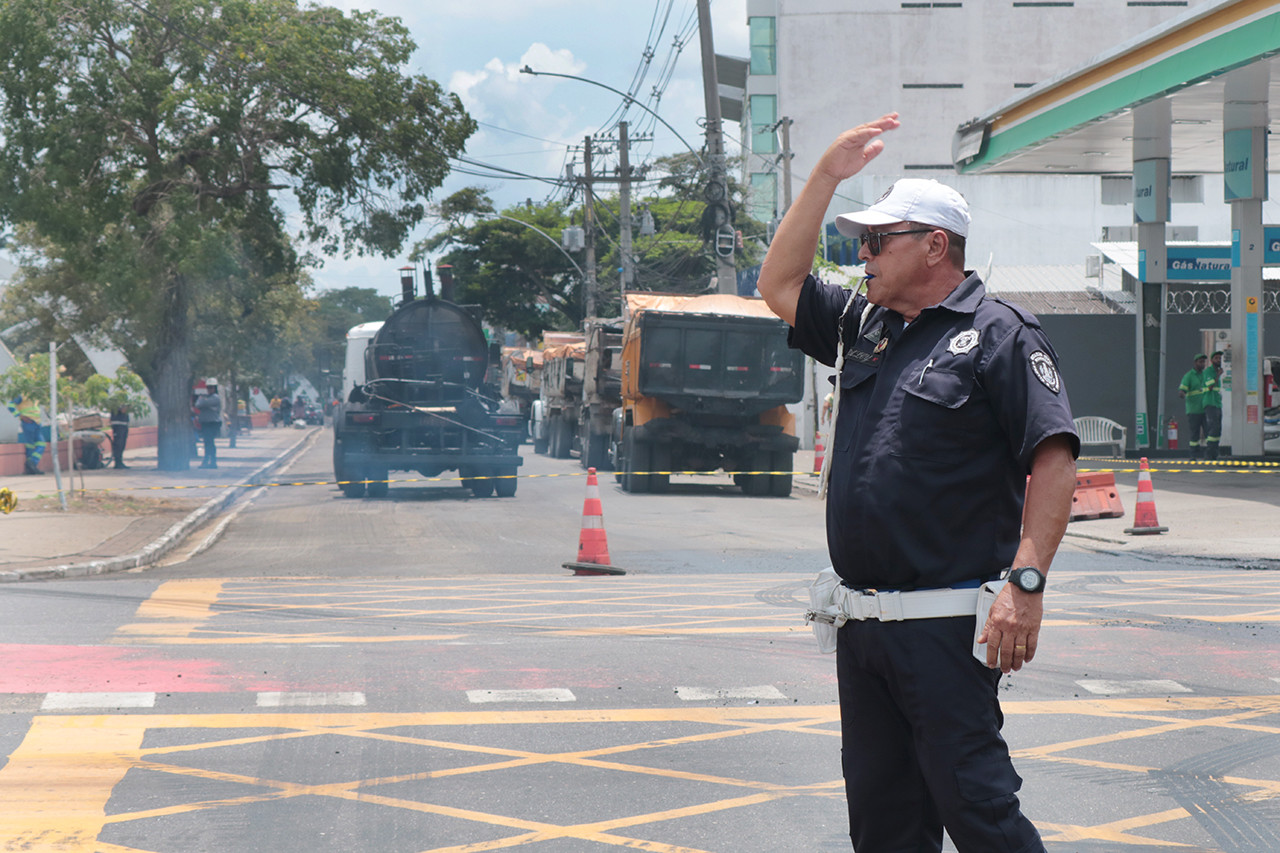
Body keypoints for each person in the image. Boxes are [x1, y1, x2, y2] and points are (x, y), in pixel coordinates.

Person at [756, 114, 1079, 852]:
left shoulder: (998, 333)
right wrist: (825, 176)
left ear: (936, 246)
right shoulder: (864, 324)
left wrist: (1025, 584)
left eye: (877, 240)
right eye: (859, 241)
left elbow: (1053, 456)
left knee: (978, 810)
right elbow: (779, 282)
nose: (861, 254)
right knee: (884, 824)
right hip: (861, 628)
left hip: (944, 629)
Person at [1178, 352, 1215, 460]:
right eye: (1200, 362)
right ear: (1195, 363)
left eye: (1204, 362)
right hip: (1193, 410)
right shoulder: (1189, 376)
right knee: (1195, 434)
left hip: (1205, 409)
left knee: (1209, 433)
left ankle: (1209, 454)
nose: (1202, 364)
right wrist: (1182, 394)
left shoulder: (1205, 375)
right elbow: (1182, 390)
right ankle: (1193, 455)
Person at [6, 396, 48, 475]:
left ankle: (31, 464)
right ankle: (32, 465)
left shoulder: (35, 394)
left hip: (36, 423)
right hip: (28, 423)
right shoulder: (23, 394)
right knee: (30, 445)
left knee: (40, 444)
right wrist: (21, 416)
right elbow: (11, 406)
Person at [1202, 350, 1225, 459]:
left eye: (1220, 358)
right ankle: (1209, 453)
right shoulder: (1208, 372)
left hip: (1217, 403)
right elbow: (1210, 387)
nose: (1219, 360)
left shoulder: (1218, 372)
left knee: (1218, 428)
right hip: (1210, 403)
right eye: (1216, 358)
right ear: (1211, 360)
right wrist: (1218, 375)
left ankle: (1215, 452)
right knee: (1213, 427)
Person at [195, 381, 223, 468]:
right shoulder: (206, 397)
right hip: (205, 423)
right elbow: (197, 405)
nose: (209, 389)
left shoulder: (215, 398)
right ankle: (207, 461)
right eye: (208, 388)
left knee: (209, 443)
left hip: (212, 423)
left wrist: (202, 400)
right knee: (207, 443)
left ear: (214, 388)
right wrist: (202, 400)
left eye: (211, 388)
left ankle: (212, 462)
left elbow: (202, 403)